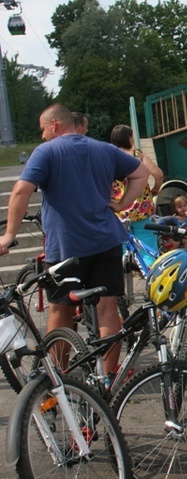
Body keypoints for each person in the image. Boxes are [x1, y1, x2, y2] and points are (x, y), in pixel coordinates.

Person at [0, 104, 149, 374]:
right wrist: (122, 203)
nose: (43, 135)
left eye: (44, 129)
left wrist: (9, 235)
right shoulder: (104, 149)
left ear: (54, 125)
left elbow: (22, 190)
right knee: (108, 310)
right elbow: (141, 173)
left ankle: (58, 379)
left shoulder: (46, 152)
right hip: (106, 242)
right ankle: (105, 380)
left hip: (67, 248)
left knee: (60, 311)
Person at [110, 124, 163, 265]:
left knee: (120, 250)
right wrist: (155, 189)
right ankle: (150, 275)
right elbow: (158, 174)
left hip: (119, 211)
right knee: (148, 248)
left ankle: (123, 276)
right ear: (128, 138)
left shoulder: (109, 157)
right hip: (142, 209)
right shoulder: (138, 155)